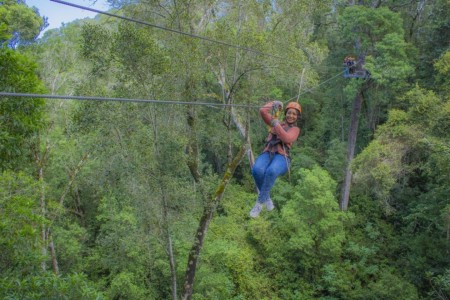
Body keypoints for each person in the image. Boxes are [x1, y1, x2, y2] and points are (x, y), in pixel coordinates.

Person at [250, 100, 301, 218]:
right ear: (285, 113)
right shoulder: (276, 122)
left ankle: (259, 203)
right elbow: (263, 111)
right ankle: (267, 198)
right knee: (257, 170)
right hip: (268, 152)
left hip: (282, 157)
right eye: (289, 113)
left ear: (297, 117)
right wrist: (274, 103)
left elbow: (287, 138)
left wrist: (275, 124)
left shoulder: (295, 130)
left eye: (294, 114)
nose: (291, 116)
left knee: (271, 171)